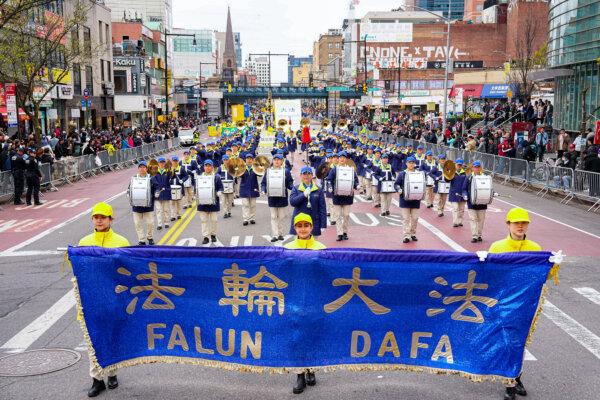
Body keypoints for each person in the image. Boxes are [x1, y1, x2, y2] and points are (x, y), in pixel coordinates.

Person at [488, 207, 541, 400]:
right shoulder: (497, 247)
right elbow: (489, 276)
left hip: (526, 304)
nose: (520, 226)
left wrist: (554, 265)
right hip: (503, 303)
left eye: (523, 222)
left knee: (520, 342)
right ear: (508, 224)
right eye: (516, 222)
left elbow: (544, 276)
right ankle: (509, 383)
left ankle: (516, 377)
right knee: (507, 342)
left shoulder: (535, 248)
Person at [78, 202, 130, 397]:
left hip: (114, 299)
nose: (99, 220)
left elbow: (129, 270)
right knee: (93, 340)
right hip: (91, 301)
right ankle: (97, 379)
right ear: (92, 219)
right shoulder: (83, 242)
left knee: (112, 337)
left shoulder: (121, 242)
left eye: (103, 217)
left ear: (110, 219)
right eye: (96, 217)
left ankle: (112, 373)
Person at [284, 212, 325, 393]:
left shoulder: (321, 248)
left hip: (315, 300)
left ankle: (312, 369)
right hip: (294, 300)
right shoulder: (287, 249)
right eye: (299, 226)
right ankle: (299, 375)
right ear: (295, 228)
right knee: (296, 337)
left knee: (313, 334)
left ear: (311, 227)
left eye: (305, 225)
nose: (302, 229)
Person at [326, 151, 359, 241]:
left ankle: (345, 232)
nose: (342, 159)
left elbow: (355, 180)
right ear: (338, 159)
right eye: (340, 157)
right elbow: (329, 180)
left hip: (348, 196)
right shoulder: (334, 169)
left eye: (344, 157)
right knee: (337, 215)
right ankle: (340, 233)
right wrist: (330, 187)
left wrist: (357, 186)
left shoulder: (351, 169)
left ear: (346, 159)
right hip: (337, 195)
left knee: (346, 215)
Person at [261, 153, 294, 242]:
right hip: (272, 198)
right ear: (273, 161)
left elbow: (290, 183)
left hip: (282, 197)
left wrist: (293, 188)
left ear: (282, 161)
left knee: (281, 217)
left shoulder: (286, 171)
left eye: (278, 160)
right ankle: (275, 235)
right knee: (273, 217)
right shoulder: (268, 171)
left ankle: (280, 233)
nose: (276, 161)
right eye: (275, 159)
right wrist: (263, 190)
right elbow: (263, 183)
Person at [289, 166, 327, 237]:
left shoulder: (318, 190)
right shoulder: (296, 188)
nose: (306, 176)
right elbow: (292, 202)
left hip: (313, 223)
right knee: (299, 247)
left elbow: (322, 208)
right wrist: (303, 195)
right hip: (299, 222)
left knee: (313, 247)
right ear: (300, 175)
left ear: (312, 175)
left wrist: (323, 224)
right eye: (304, 174)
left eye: (309, 174)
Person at [395, 156, 421, 243]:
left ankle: (413, 234)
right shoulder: (402, 174)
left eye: (412, 162)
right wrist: (398, 189)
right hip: (404, 200)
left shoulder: (418, 173)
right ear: (406, 163)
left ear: (414, 164)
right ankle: (406, 235)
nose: (411, 164)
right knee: (406, 219)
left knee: (415, 218)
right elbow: (396, 184)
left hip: (415, 200)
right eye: (409, 162)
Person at [197, 160, 224, 244]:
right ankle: (205, 236)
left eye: (209, 166)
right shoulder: (199, 177)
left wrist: (219, 192)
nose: (207, 167)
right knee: (204, 220)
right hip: (202, 203)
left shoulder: (216, 177)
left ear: (212, 167)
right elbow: (196, 188)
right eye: (206, 166)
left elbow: (220, 187)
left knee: (214, 220)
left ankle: (213, 235)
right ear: (204, 167)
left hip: (213, 202)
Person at [130, 161, 155, 245]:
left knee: (150, 223)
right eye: (140, 167)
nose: (142, 169)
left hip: (148, 206)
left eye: (144, 167)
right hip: (136, 206)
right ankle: (141, 240)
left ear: (146, 169)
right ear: (138, 169)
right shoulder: (134, 178)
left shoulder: (150, 178)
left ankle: (150, 237)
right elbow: (130, 189)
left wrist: (157, 192)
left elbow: (156, 187)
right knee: (137, 224)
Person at [465, 161, 488, 243]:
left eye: (478, 167)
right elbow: (464, 189)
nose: (477, 168)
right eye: (475, 167)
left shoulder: (485, 177)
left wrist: (493, 193)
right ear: (472, 168)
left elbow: (488, 187)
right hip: (471, 203)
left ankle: (479, 235)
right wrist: (465, 195)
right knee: (473, 219)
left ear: (480, 168)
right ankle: (474, 236)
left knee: (481, 220)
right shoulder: (469, 177)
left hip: (482, 203)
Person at [239, 153, 260, 226]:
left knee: (253, 204)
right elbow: (239, 175)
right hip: (244, 188)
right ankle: (245, 219)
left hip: (253, 188)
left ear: (253, 160)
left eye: (251, 159)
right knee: (245, 204)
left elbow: (260, 174)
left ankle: (252, 218)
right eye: (248, 159)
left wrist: (260, 167)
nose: (249, 160)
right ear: (246, 160)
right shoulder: (242, 167)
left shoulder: (255, 167)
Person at [151, 157, 172, 230]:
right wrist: (157, 190)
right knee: (159, 210)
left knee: (166, 209)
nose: (162, 164)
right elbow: (153, 182)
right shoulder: (155, 172)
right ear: (158, 164)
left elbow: (172, 178)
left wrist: (170, 169)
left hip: (166, 192)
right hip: (158, 194)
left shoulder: (168, 171)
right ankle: (159, 224)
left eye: (163, 162)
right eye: (160, 162)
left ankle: (166, 223)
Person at [448, 158, 468, 228]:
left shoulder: (465, 173)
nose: (459, 166)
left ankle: (460, 221)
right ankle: (455, 222)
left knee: (461, 209)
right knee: (455, 208)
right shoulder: (452, 172)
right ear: (455, 164)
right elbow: (447, 180)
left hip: (462, 193)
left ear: (462, 165)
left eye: (460, 165)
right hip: (454, 193)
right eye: (457, 164)